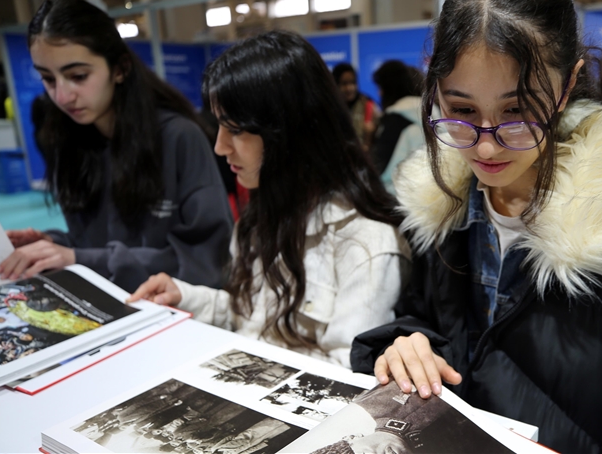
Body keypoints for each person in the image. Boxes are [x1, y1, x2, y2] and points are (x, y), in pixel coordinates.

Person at [350, 0, 602, 453]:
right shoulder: (436, 217)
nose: (487, 145)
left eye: (517, 112)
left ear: (568, 83)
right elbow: (420, 317)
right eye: (463, 111)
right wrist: (409, 342)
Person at [128, 31, 411, 367]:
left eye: (234, 129)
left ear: (289, 132)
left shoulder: (365, 240)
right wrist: (186, 296)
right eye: (219, 126)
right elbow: (250, 317)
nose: (220, 147)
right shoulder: (261, 216)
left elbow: (348, 370)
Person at [0, 0, 233, 293]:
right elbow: (96, 243)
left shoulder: (179, 138)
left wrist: (78, 258)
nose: (63, 96)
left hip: (170, 314)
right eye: (48, 79)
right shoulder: (69, 139)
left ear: (120, 69)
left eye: (78, 76)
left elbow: (205, 260)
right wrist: (53, 245)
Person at [371, 60, 427, 193]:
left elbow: (379, 166)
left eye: (381, 88)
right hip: (430, 195)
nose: (379, 94)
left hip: (399, 197)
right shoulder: (430, 111)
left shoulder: (395, 119)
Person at [333, 62, 381, 150]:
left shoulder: (368, 104)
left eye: (353, 82)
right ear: (335, 84)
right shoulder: (331, 107)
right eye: (344, 83)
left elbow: (381, 135)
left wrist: (373, 132)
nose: (349, 88)